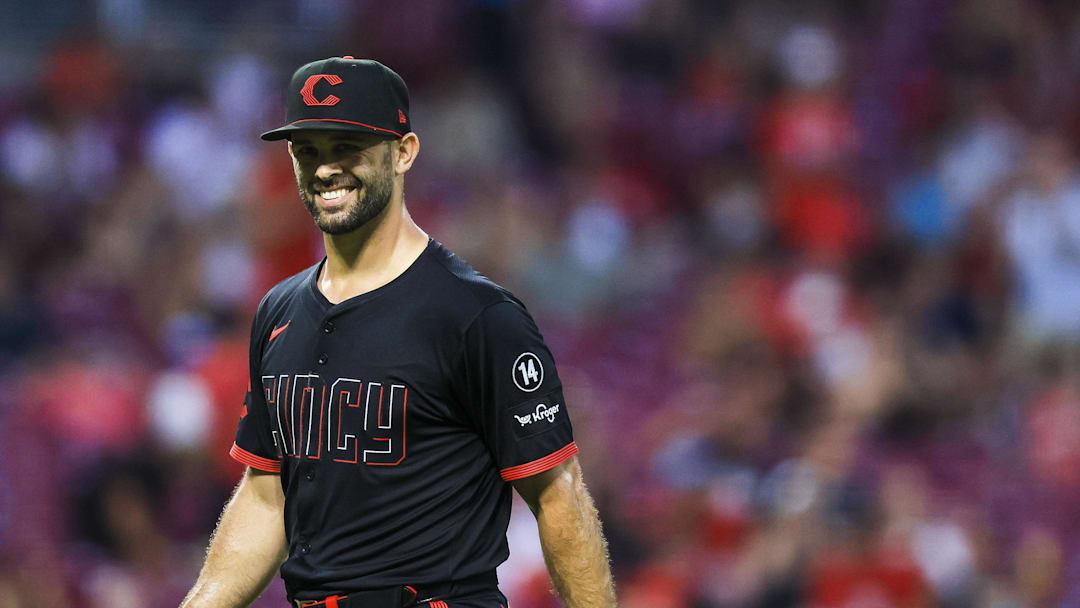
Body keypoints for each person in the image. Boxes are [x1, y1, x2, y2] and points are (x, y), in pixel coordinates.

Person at [179, 57, 616, 608]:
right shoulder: (278, 310)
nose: (325, 168)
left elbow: (558, 494)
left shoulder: (475, 314)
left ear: (404, 152)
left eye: (348, 147)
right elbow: (267, 496)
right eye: (307, 150)